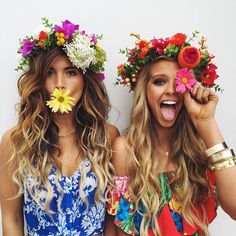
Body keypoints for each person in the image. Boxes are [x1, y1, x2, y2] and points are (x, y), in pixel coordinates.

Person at [106, 32, 236, 235]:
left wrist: (207, 122)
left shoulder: (202, 146)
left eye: (179, 82)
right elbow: (120, 228)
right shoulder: (125, 149)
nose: (171, 90)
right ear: (145, 91)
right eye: (159, 82)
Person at [0, 18, 119, 236]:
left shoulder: (107, 136)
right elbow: (12, 218)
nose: (60, 84)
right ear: (38, 80)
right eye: (50, 73)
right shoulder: (16, 141)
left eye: (71, 72)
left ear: (85, 79)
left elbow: (113, 217)